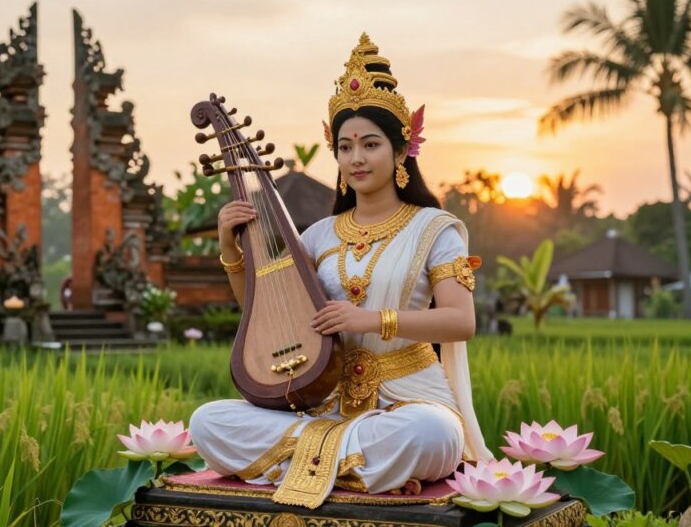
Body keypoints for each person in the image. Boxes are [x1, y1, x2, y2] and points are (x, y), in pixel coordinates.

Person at [189, 34, 493, 508]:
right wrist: (231, 248)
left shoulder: (435, 228)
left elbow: (461, 321)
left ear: (400, 152)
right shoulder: (317, 236)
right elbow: (265, 313)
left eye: (370, 144)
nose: (356, 158)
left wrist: (369, 320)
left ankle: (297, 465)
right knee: (209, 421)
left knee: (431, 434)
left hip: (408, 401)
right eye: (346, 146)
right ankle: (356, 472)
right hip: (322, 403)